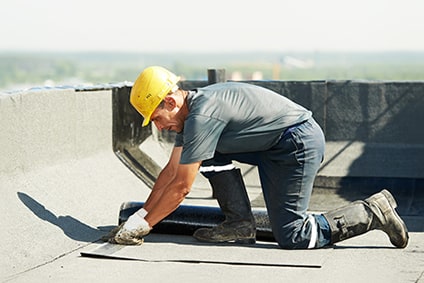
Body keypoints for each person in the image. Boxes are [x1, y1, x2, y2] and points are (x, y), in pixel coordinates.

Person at [108, 66, 409, 249]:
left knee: (294, 235)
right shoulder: (191, 118)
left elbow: (180, 188)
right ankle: (239, 224)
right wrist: (138, 216)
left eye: (158, 118)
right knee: (204, 155)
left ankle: (371, 212)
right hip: (274, 145)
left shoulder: (202, 115)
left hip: (296, 145)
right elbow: (170, 174)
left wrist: (143, 227)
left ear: (171, 101)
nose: (159, 127)